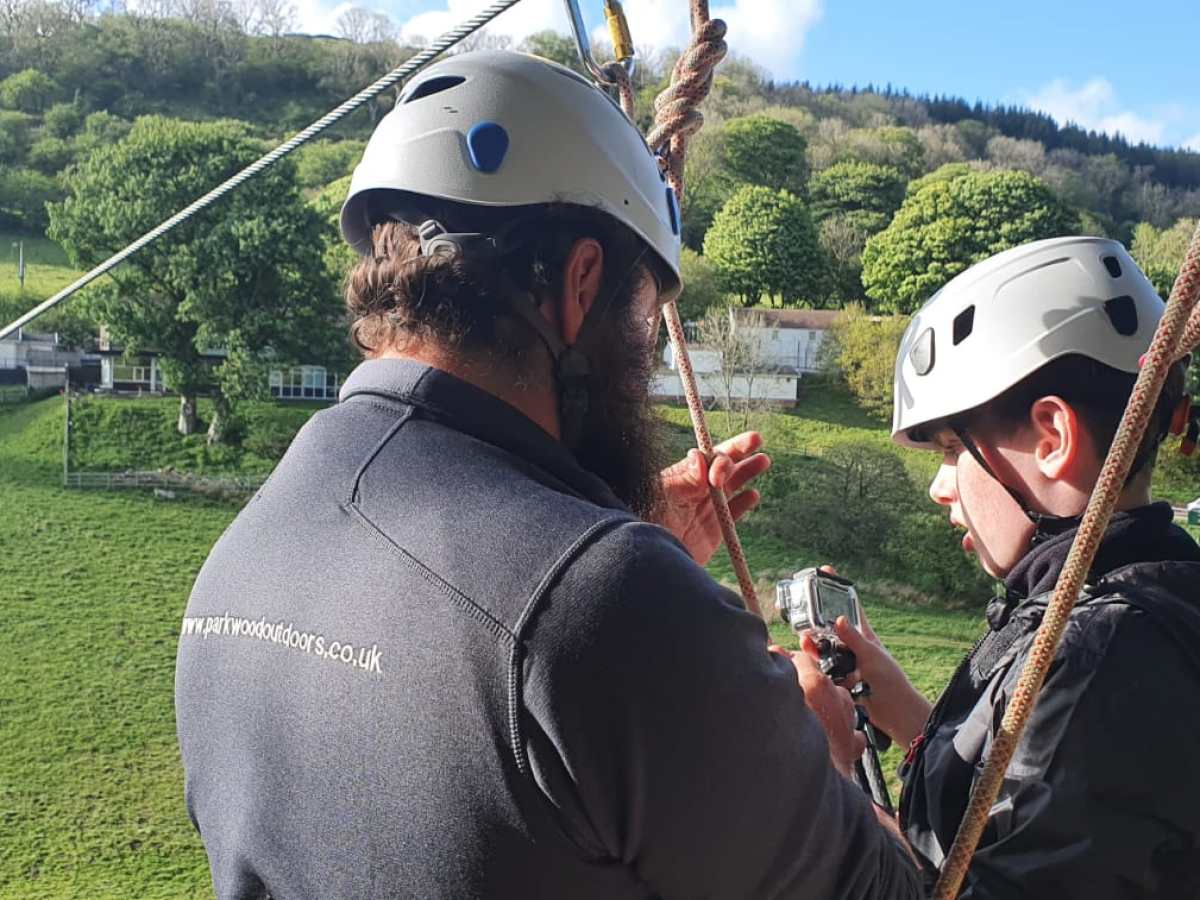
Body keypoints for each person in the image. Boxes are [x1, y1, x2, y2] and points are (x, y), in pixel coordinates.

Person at [174, 50, 919, 899]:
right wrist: (813, 749)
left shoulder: (240, 554)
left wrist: (613, 552)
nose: (644, 357)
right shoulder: (610, 598)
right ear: (580, 282)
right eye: (642, 318)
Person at [825, 236, 1200, 897]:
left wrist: (817, 775)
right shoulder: (1132, 600)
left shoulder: (1099, 655)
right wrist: (912, 718)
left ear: (1052, 439)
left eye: (950, 449)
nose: (941, 487)